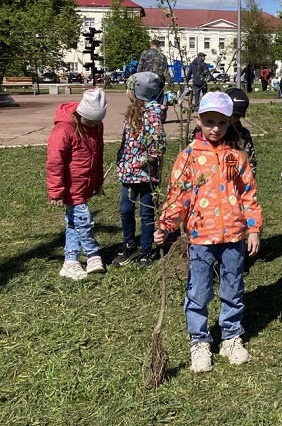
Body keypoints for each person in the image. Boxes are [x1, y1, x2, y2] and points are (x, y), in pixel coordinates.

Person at [155, 91, 262, 373]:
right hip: (201, 236)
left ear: (230, 122)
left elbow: (247, 193)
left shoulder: (235, 156)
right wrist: (166, 225)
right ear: (198, 120)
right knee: (199, 291)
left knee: (233, 288)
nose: (215, 128)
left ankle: (231, 336)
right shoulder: (188, 157)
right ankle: (199, 341)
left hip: (233, 236)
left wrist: (253, 228)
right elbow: (177, 196)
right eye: (209, 122)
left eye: (222, 123)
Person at [46, 89, 108, 280]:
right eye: (90, 122)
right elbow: (54, 162)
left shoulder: (96, 127)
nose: (94, 125)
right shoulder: (63, 130)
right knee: (84, 220)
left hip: (84, 184)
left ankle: (70, 261)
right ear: (81, 114)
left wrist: (97, 182)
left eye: (97, 122)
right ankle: (92, 254)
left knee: (73, 223)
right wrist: (56, 190)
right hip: (71, 187)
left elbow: (98, 156)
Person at [112, 72, 167, 269]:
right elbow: (126, 141)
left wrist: (146, 160)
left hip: (145, 175)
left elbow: (158, 144)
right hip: (127, 172)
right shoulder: (132, 113)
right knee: (125, 209)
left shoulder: (152, 113)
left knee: (146, 213)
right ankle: (129, 245)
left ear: (137, 92)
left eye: (128, 88)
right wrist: (121, 159)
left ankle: (145, 249)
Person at [191, 87, 258, 177]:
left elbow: (250, 163)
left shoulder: (242, 135)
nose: (216, 129)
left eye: (237, 116)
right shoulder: (202, 135)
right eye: (232, 114)